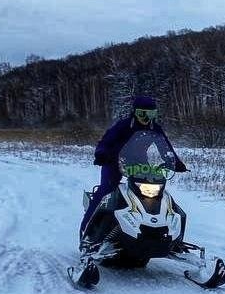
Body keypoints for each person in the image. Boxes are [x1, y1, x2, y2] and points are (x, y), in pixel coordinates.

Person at [80, 94, 187, 243]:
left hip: (139, 162)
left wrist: (175, 162)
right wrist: (101, 154)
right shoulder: (123, 125)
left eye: (151, 114)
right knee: (106, 192)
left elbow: (165, 146)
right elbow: (106, 141)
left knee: (154, 192)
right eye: (143, 114)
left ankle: (151, 231)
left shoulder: (154, 128)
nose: (147, 118)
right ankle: (87, 232)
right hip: (113, 161)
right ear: (135, 112)